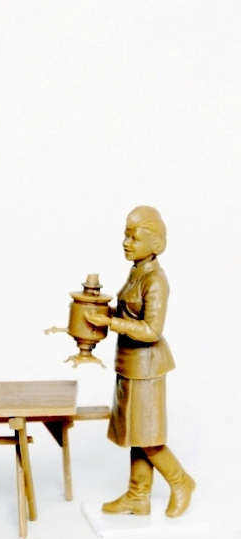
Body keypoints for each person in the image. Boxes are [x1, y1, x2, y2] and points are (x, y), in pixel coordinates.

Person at [85, 206, 194, 517]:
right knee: (137, 433)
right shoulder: (138, 272)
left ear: (154, 243)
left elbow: (151, 330)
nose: (126, 242)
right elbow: (129, 313)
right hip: (130, 364)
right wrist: (103, 313)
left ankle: (181, 481)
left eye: (134, 237)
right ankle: (138, 495)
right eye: (125, 235)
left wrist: (112, 323)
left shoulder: (156, 280)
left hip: (147, 367)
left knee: (148, 436)